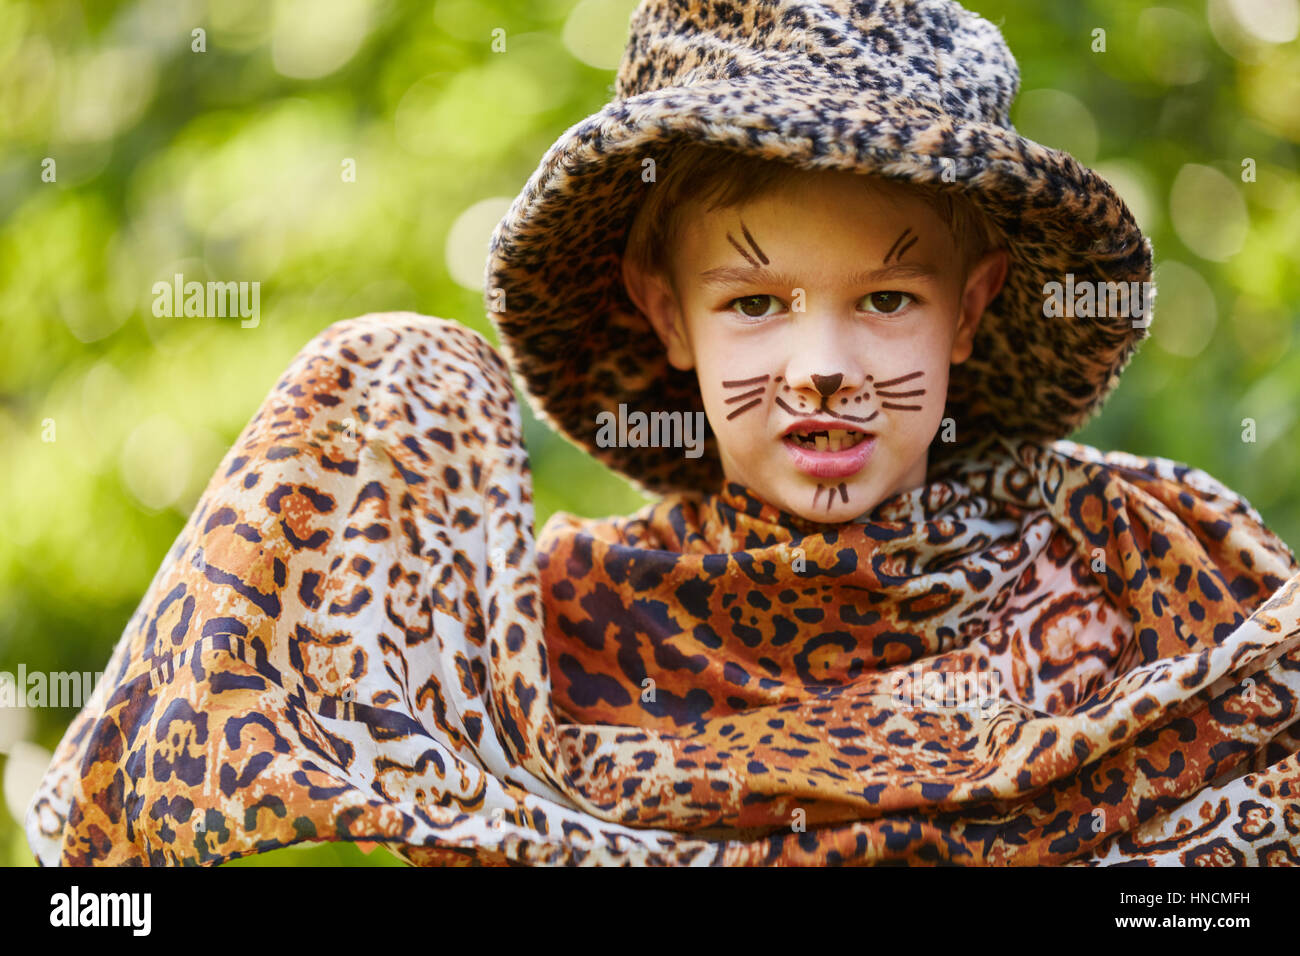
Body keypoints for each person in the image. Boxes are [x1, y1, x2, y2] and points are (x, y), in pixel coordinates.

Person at [26, 0, 1300, 867]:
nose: (822, 370)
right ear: (665, 311)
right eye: (754, 303)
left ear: (969, 311)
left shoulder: (1146, 557)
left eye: (887, 300)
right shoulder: (553, 627)